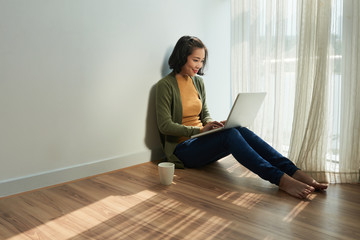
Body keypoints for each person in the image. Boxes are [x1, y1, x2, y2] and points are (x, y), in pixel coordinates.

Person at [155, 36, 328, 199]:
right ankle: (281, 180)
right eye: (195, 60)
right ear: (182, 56)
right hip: (182, 150)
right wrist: (200, 129)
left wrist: (213, 125)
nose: (199, 65)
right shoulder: (165, 86)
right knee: (230, 135)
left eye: (201, 61)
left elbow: (205, 113)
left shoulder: (197, 82)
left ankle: (293, 172)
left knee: (237, 129)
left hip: (200, 140)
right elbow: (165, 125)